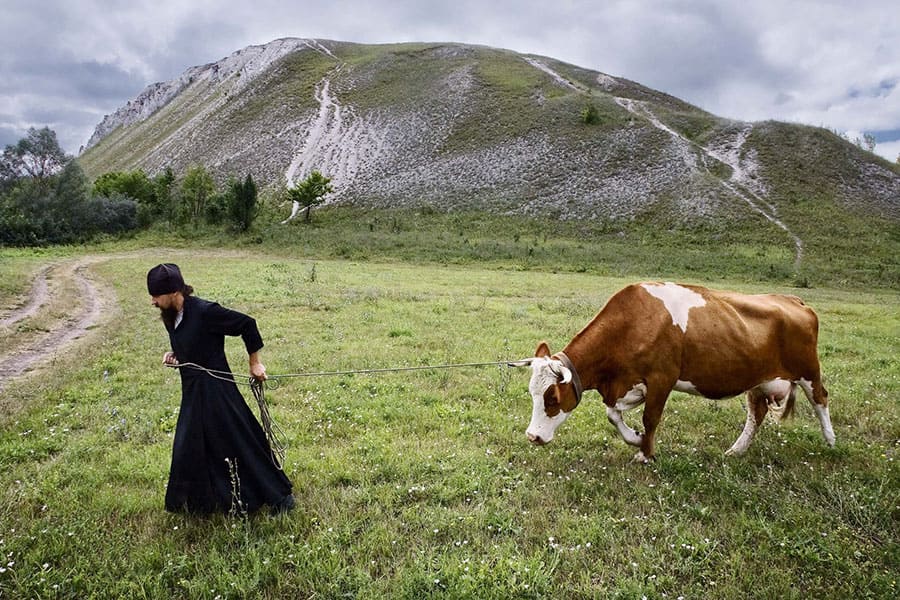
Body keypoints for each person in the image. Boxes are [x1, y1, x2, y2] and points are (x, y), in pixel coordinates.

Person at [147, 263, 294, 515]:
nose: (153, 301)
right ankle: (206, 500)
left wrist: (255, 363)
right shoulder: (171, 317)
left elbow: (247, 324)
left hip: (218, 393)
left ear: (174, 292)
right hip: (193, 394)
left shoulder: (205, 312)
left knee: (238, 441)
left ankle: (279, 497)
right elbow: (191, 346)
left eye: (156, 295)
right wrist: (176, 355)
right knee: (190, 445)